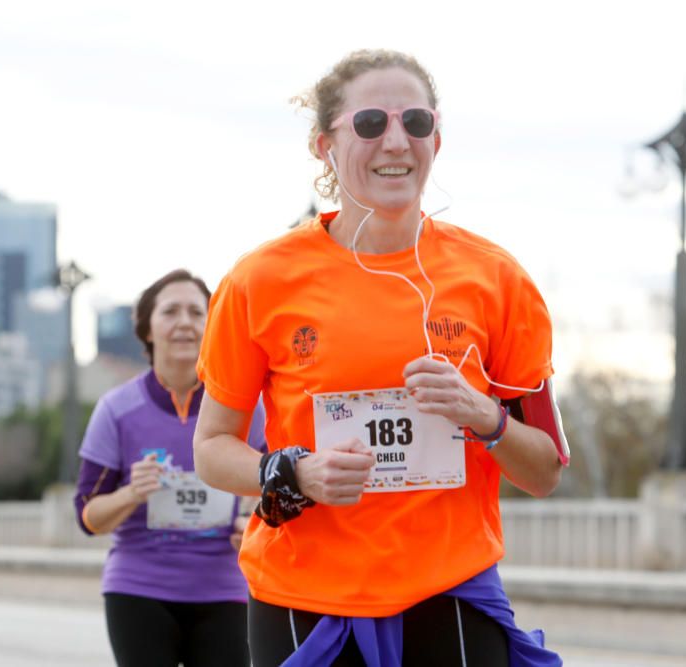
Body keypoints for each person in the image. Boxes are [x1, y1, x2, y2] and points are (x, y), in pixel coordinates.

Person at [193, 50, 570, 667]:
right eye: (371, 123)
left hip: (449, 591)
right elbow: (211, 448)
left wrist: (484, 415)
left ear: (436, 140)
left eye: (415, 123)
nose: (396, 141)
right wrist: (295, 474)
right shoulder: (259, 280)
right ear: (324, 145)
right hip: (302, 595)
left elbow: (545, 472)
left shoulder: (498, 280)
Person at [74, 268, 266, 667]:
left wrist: (253, 521)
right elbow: (88, 517)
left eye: (197, 313)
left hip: (226, 589)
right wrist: (132, 492)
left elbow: (279, 488)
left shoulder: (249, 408)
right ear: (147, 329)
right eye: (170, 312)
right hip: (138, 589)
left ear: (213, 326)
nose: (184, 323)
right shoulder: (116, 409)